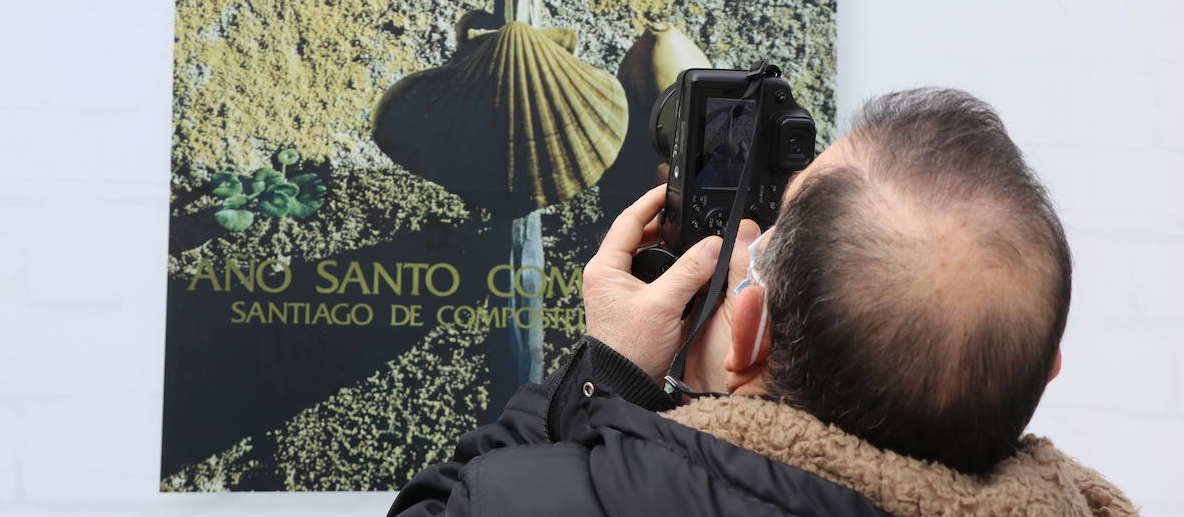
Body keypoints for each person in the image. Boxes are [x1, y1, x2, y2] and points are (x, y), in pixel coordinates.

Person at [390, 88, 1136, 516]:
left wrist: (603, 374)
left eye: (775, 225)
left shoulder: (541, 501)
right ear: (1045, 369)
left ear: (750, 332)